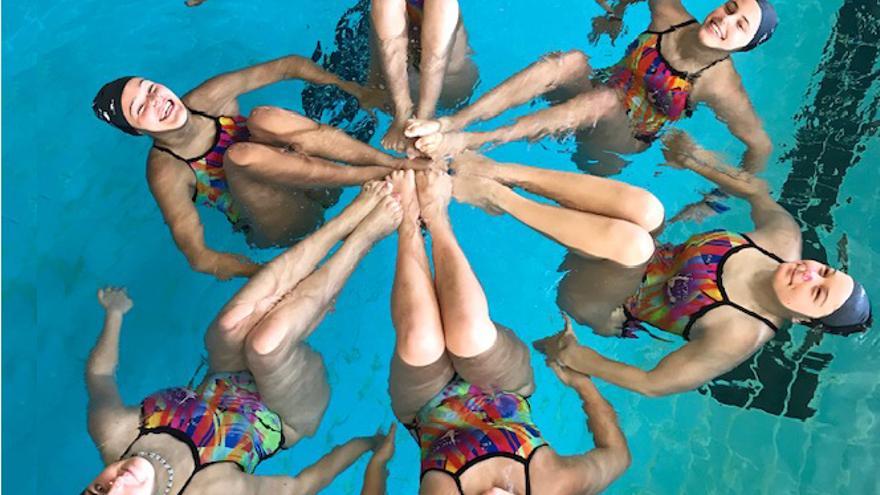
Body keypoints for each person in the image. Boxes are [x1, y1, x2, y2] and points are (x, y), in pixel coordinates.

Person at [83, 181, 403, 494]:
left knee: (227, 326)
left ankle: (344, 221)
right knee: (266, 346)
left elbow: (99, 374)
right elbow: (300, 486)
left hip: (224, 376)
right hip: (286, 413)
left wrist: (115, 315)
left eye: (98, 489)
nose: (117, 484)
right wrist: (367, 445)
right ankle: (365, 237)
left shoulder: (113, 432)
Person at [533, 132, 872, 397]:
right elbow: (756, 192)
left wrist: (577, 357)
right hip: (640, 246)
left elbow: (654, 384)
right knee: (644, 217)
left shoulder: (738, 334)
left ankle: (500, 192)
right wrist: (695, 159)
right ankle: (512, 174)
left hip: (605, 302)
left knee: (629, 239)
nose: (809, 274)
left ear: (802, 319)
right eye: (824, 272)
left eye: (816, 293)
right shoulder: (783, 240)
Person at [381, 169, 630, 494]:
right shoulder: (554, 483)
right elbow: (618, 457)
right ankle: (437, 217)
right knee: (470, 331)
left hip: (426, 406)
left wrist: (376, 463)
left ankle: (409, 225)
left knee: (419, 340)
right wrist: (583, 385)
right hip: (504, 387)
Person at [93, 54, 422, 280]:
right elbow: (199, 256)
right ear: (137, 130)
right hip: (287, 222)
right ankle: (377, 172)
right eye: (140, 108)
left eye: (151, 88)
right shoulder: (167, 171)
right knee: (240, 158)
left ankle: (385, 163)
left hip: (315, 179)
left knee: (264, 118)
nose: (156, 101)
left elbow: (286, 65)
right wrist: (270, 275)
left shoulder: (208, 99)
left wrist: (353, 89)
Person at [405, 0, 778, 176]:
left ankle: (474, 140)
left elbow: (760, 145)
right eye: (730, 8)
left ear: (744, 46)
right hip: (591, 96)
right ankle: (454, 123)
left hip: (618, 143)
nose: (725, 20)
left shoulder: (720, 83)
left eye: (740, 26)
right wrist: (616, 13)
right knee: (572, 62)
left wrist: (716, 199)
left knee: (603, 99)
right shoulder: (671, 16)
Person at [370, 0, 479, 154]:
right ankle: (404, 111)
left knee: (452, 78)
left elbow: (436, 59)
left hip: (448, 67)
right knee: (382, 93)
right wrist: (402, 111)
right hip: (408, 22)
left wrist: (424, 119)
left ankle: (427, 116)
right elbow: (391, 47)